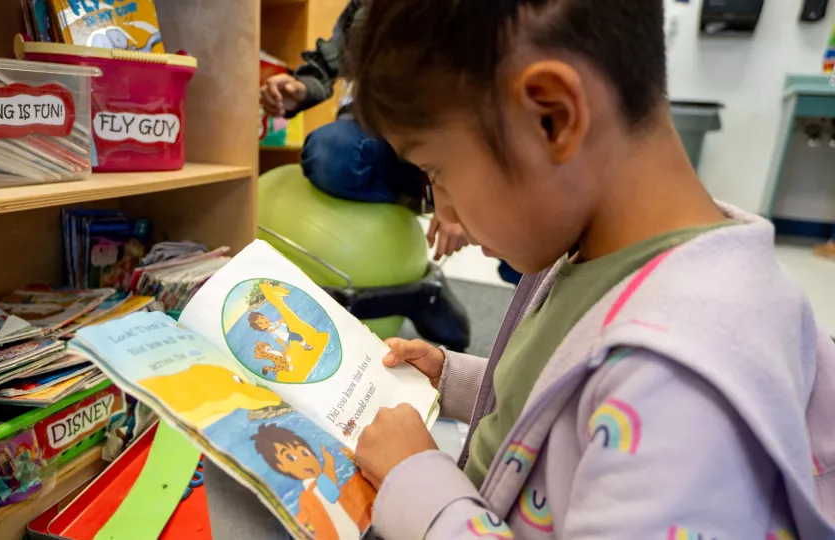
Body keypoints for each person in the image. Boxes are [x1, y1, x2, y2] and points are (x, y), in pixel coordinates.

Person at [347, 0, 835, 539]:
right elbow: (560, 390)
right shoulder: (597, 254)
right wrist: (452, 377)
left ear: (551, 116)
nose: (444, 209)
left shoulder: (681, 390)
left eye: (435, 170)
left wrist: (418, 486)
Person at [260, 0, 476, 265]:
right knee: (329, 152)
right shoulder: (365, 9)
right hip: (376, 131)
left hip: (448, 137)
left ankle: (429, 192)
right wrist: (301, 89)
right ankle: (405, 201)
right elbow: (329, 61)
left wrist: (457, 193)